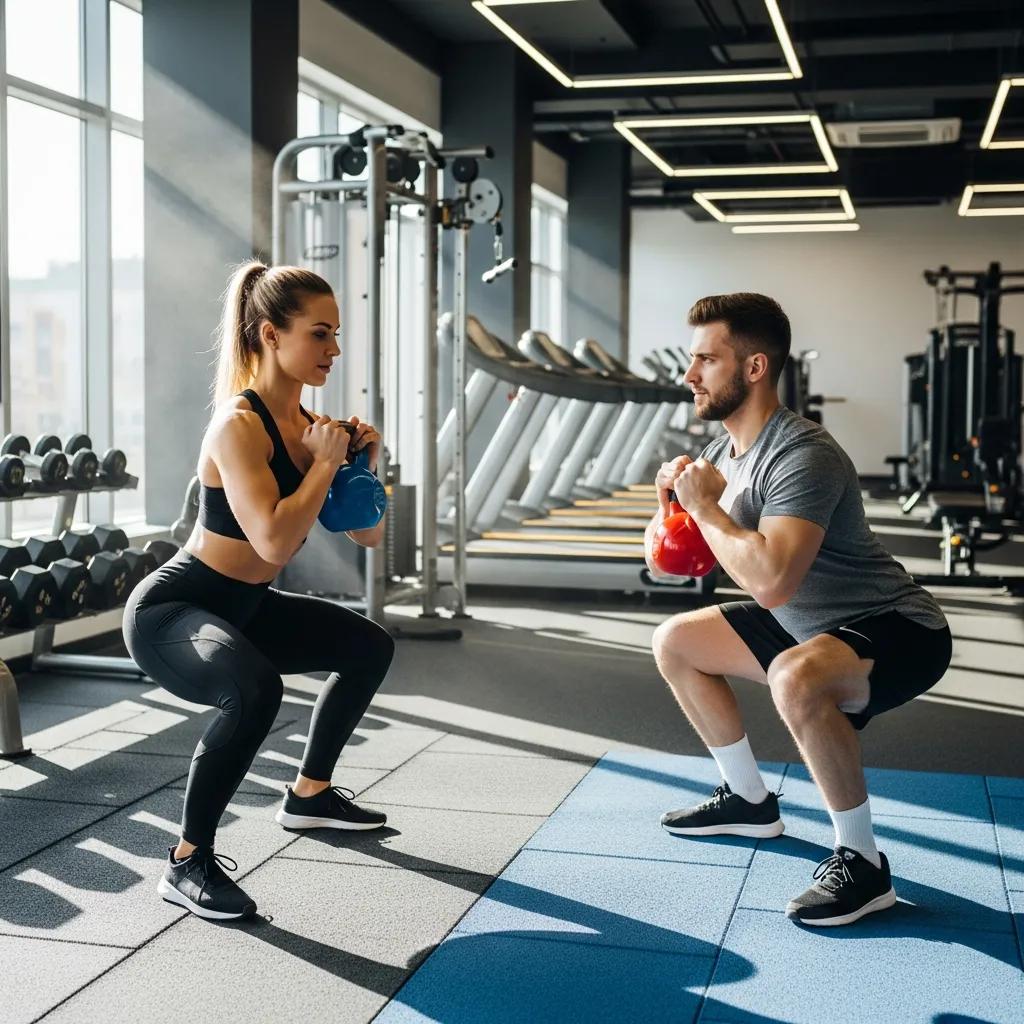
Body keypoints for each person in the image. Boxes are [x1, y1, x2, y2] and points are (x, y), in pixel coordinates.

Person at [646, 293, 952, 927]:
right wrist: (669, 508)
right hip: (807, 624)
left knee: (795, 676)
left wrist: (705, 509)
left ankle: (863, 865)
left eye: (706, 359)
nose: (689, 375)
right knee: (675, 640)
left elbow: (773, 583)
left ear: (754, 368)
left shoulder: (800, 453)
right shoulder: (719, 458)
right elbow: (675, 567)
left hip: (899, 627)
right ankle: (749, 800)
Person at [124, 261, 395, 921]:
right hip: (177, 610)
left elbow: (367, 539)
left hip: (248, 607)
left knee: (367, 647)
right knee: (253, 691)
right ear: (272, 335)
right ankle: (188, 860)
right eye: (320, 334)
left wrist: (364, 467)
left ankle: (309, 794)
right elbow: (274, 543)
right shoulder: (237, 426)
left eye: (336, 335)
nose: (334, 350)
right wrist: (325, 463)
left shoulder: (310, 428)